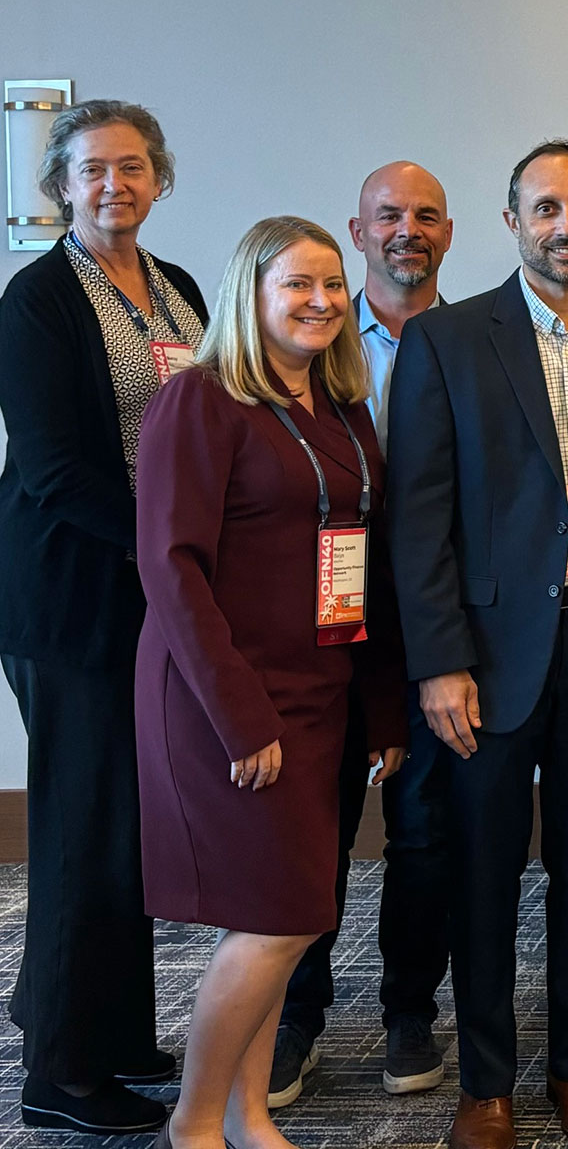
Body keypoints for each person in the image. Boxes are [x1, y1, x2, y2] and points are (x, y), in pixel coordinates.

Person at [385, 140, 568, 1149]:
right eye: (545, 207)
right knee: (484, 868)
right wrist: (436, 659)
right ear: (511, 221)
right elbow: (418, 518)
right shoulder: (448, 339)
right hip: (486, 653)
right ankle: (487, 1081)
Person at [134, 215, 408, 1149]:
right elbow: (171, 569)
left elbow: (357, 565)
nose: (321, 302)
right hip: (231, 698)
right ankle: (196, 1122)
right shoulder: (201, 402)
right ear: (250, 293)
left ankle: (251, 1116)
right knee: (282, 918)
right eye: (297, 285)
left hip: (323, 691)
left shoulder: (339, 407)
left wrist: (379, 707)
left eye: (332, 284)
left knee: (278, 913)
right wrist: (241, 717)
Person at [0, 98, 205, 1135]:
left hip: (146, 595)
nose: (113, 184)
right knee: (82, 829)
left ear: (159, 177)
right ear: (60, 188)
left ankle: (115, 1031)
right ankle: (59, 1071)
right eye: (91, 170)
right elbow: (54, 471)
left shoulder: (179, 289)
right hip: (75, 599)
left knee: (130, 821)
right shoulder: (36, 299)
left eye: (131, 166)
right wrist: (168, 549)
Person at [270, 162, 457, 1107]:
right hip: (328, 629)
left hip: (429, 627)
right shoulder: (317, 350)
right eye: (389, 215)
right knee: (316, 826)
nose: (407, 231)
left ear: (451, 235)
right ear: (358, 229)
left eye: (426, 216)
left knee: (425, 831)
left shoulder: (476, 341)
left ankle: (408, 1009)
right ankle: (296, 1017)